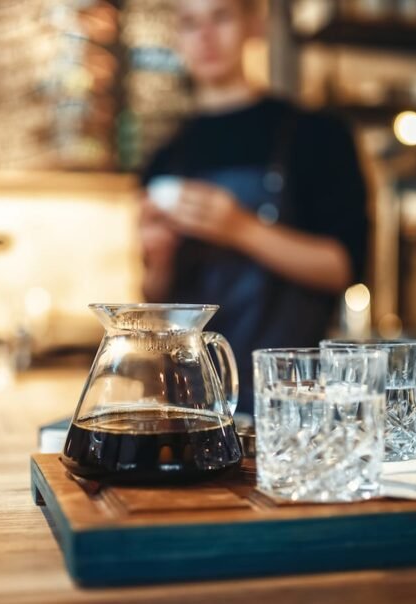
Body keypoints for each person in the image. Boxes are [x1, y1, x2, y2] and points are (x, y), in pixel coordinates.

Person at [140, 0, 369, 413]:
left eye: (221, 17)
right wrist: (158, 262)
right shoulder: (164, 159)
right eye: (190, 23)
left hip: (292, 401)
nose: (206, 36)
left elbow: (341, 268)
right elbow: (155, 299)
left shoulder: (318, 136)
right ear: (176, 37)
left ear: (253, 25)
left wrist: (240, 229)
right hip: (192, 405)